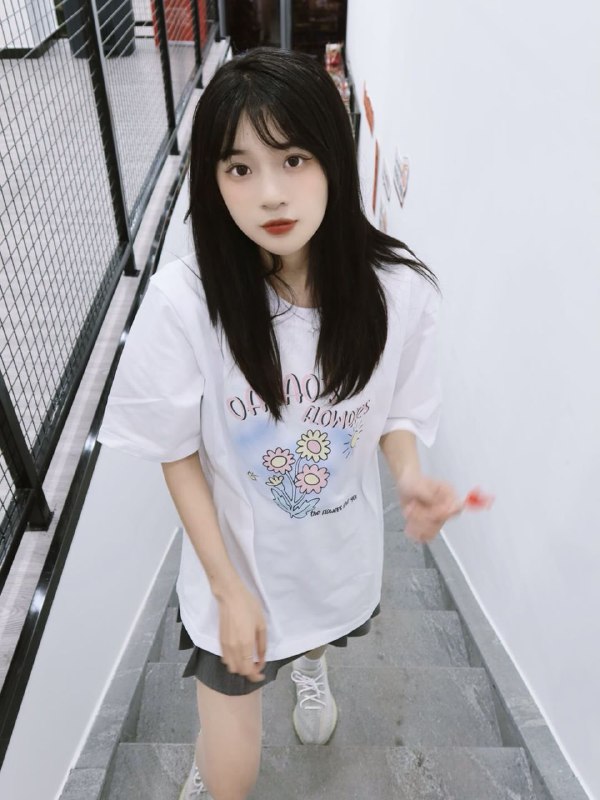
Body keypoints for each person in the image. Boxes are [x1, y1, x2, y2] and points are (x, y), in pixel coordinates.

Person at [97, 46, 464, 800]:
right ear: (213, 182)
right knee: (229, 775)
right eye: (239, 168)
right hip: (232, 569)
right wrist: (228, 588)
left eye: (293, 159)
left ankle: (310, 664)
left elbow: (393, 407)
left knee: (316, 631)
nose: (270, 194)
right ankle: (214, 746)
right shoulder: (185, 302)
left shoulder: (398, 292)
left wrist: (409, 475)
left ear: (333, 157)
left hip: (333, 554)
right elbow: (175, 452)